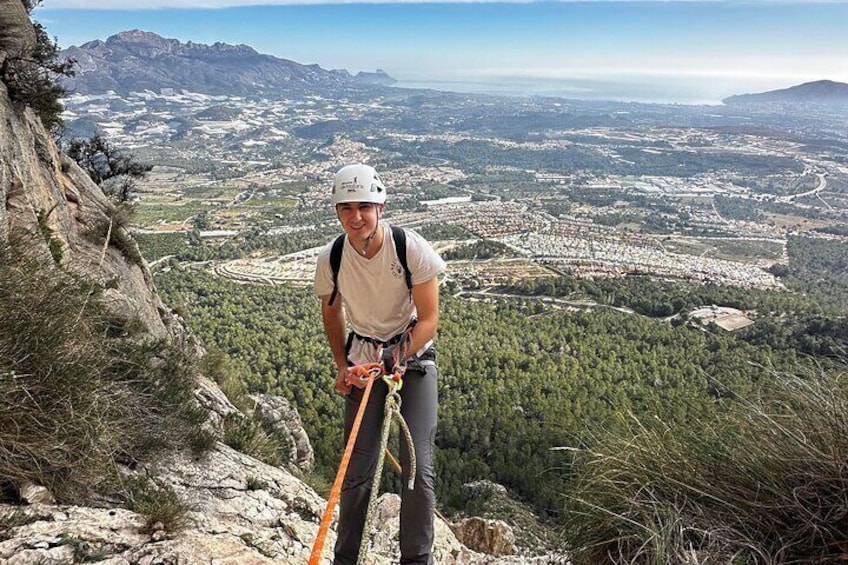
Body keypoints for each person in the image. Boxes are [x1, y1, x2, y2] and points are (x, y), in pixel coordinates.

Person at [314, 163, 446, 565]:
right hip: (364, 363)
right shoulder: (332, 257)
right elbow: (331, 312)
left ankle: (417, 560)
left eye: (364, 207)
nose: (356, 217)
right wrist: (342, 365)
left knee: (417, 472)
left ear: (381, 207)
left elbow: (429, 320)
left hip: (412, 363)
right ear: (337, 212)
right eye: (346, 208)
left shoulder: (409, 248)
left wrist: (396, 357)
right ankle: (346, 558)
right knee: (357, 473)